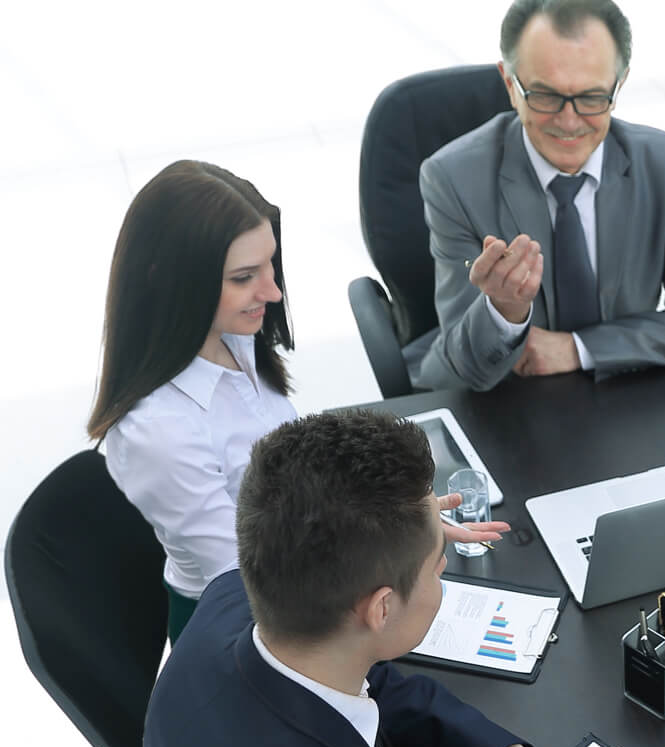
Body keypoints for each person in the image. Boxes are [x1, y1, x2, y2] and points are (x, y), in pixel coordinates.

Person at [127, 409, 665, 747]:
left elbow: (370, 680)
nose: (442, 576)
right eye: (438, 567)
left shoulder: (228, 606)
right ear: (381, 607)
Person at [87, 161, 503, 640]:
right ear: (169, 279)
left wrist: (401, 520)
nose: (273, 291)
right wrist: (394, 545)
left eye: (270, 265)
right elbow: (251, 577)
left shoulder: (234, 341)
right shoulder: (156, 432)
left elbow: (297, 487)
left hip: (306, 579)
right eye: (244, 277)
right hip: (244, 626)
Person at [413, 0, 665, 391]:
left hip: (621, 393)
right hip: (505, 400)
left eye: (592, 98)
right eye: (545, 96)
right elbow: (465, 370)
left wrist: (578, 348)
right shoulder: (452, 178)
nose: (568, 122)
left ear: (619, 87)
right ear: (510, 84)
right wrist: (504, 311)